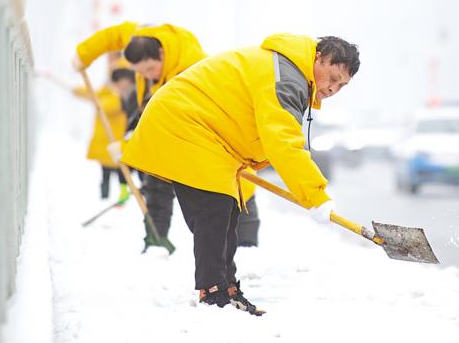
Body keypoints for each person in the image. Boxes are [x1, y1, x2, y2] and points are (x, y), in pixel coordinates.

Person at [121, 34, 360, 315]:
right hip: (185, 124)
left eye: (340, 86)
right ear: (318, 57)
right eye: (332, 77)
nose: (332, 89)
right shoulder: (287, 79)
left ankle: (226, 288)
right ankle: (214, 294)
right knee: (213, 212)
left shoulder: (287, 70)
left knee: (226, 211)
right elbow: (283, 143)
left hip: (205, 134)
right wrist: (315, 195)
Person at [72, 21, 207, 254]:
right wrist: (84, 54)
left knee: (214, 189)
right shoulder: (142, 39)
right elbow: (111, 35)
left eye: (149, 70)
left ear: (162, 55)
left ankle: (245, 240)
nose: (146, 75)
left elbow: (164, 125)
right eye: (140, 72)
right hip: (152, 102)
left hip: (189, 123)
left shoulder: (189, 70)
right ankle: (156, 237)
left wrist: (126, 144)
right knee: (153, 173)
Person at [71, 63, 136, 203]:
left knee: (122, 172)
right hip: (106, 141)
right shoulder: (108, 92)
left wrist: (100, 101)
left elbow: (107, 105)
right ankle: (104, 198)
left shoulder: (124, 97)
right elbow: (93, 94)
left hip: (118, 141)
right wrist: (76, 90)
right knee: (106, 172)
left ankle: (123, 194)